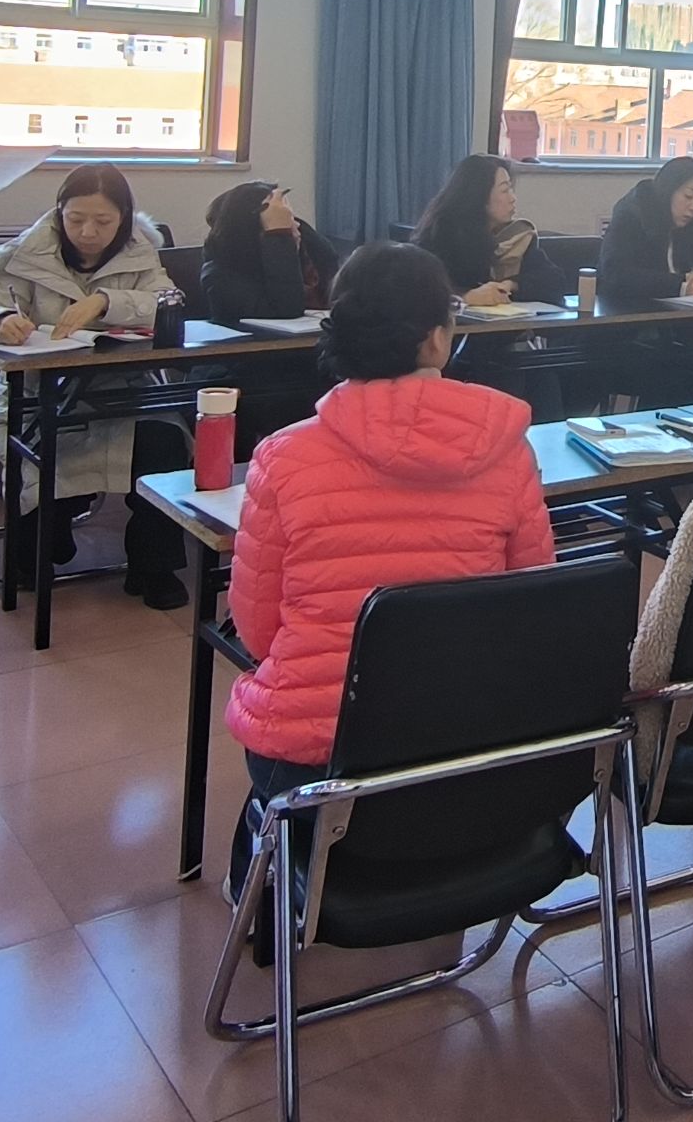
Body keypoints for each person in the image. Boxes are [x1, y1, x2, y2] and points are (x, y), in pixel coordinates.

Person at [224, 241, 556, 856]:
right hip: (465, 734)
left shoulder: (282, 456)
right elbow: (531, 604)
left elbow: (259, 627)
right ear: (437, 339)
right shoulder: (510, 451)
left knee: (275, 802)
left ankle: (269, 890)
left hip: (314, 756)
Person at [0, 165, 189, 610]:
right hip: (39, 397)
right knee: (32, 554)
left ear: (124, 219)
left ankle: (154, 567)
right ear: (59, 212)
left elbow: (167, 301)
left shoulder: (140, 252)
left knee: (165, 443)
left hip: (121, 394)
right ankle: (49, 533)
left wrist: (105, 301)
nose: (87, 232)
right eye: (76, 219)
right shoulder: (23, 255)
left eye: (103, 221)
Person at [413, 154, 567, 306]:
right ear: (480, 196)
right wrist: (466, 297)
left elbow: (555, 282)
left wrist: (512, 284)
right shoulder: (442, 234)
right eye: (505, 190)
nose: (513, 198)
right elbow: (423, 290)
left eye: (511, 189)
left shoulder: (516, 236)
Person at [199, 181, 341, 325]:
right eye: (282, 220)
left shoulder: (303, 250)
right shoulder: (219, 275)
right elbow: (287, 309)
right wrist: (278, 234)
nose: (296, 225)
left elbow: (333, 275)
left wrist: (296, 231)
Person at [597, 155, 693, 303]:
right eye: (688, 196)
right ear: (668, 190)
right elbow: (616, 274)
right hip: (628, 309)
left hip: (680, 310)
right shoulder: (631, 214)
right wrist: (680, 286)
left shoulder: (690, 224)